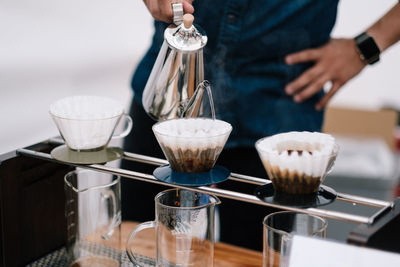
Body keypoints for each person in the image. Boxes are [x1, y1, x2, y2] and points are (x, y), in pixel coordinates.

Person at [121, 1, 400, 251]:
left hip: (276, 116)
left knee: (255, 254)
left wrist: (366, 46)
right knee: (134, 246)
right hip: (167, 97)